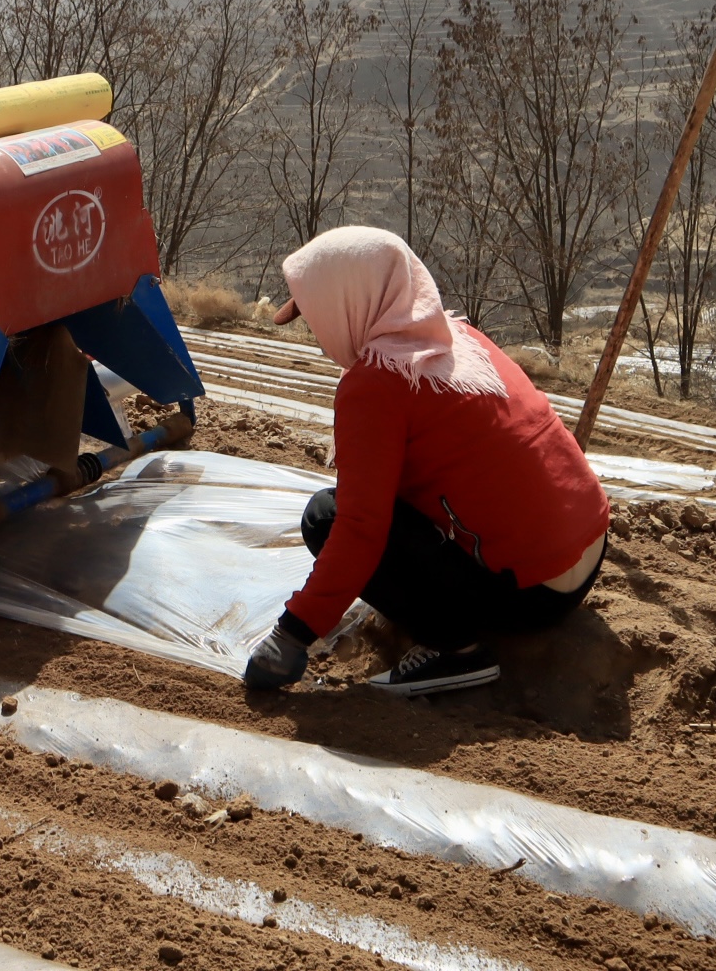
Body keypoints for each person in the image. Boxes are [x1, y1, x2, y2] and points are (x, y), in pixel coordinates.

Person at [241, 226, 609, 697]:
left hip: (534, 596)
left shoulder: (376, 383)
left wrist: (290, 635)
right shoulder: (459, 337)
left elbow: (359, 528)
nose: (316, 335)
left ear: (348, 304)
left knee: (324, 517)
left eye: (315, 317)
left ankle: (455, 652)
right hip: (588, 552)